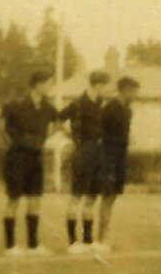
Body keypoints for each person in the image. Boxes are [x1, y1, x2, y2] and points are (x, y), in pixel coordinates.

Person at [0, 68, 60, 255]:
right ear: (38, 84)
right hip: (16, 157)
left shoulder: (48, 107)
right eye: (49, 83)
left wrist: (45, 136)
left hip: (35, 157)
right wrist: (8, 138)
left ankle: (33, 245)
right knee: (14, 200)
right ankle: (10, 246)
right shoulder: (16, 105)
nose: (51, 86)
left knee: (35, 200)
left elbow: (60, 123)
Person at [59, 69, 111, 252]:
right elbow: (58, 119)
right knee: (76, 196)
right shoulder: (78, 104)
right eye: (106, 86)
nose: (108, 90)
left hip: (98, 153)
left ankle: (88, 241)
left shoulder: (101, 104)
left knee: (91, 197)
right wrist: (72, 137)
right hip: (83, 152)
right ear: (98, 85)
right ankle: (73, 242)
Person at [94, 75, 140, 252]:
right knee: (107, 194)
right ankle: (100, 238)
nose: (136, 95)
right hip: (108, 154)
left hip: (121, 154)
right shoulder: (109, 108)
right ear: (126, 90)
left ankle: (104, 236)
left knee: (113, 195)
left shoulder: (128, 110)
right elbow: (99, 132)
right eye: (134, 91)